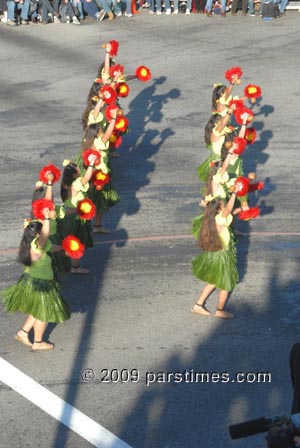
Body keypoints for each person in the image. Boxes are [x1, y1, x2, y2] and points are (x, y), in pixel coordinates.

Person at [2, 210, 70, 350]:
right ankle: (38, 342)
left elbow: (52, 247)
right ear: (38, 235)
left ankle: (23, 332)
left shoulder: (31, 243)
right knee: (42, 312)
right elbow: (45, 235)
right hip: (40, 284)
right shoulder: (38, 244)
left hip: (30, 280)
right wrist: (45, 218)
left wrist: (64, 247)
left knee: (36, 309)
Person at [191, 186, 239, 319]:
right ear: (218, 209)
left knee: (213, 281)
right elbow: (228, 210)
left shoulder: (212, 218)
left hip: (216, 252)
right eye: (222, 206)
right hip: (222, 254)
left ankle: (198, 305)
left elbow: (229, 211)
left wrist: (237, 211)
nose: (224, 207)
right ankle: (220, 310)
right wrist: (235, 192)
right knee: (225, 283)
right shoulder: (220, 218)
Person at [58, 155, 97, 274]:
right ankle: (75, 267)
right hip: (75, 218)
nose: (80, 169)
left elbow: (86, 186)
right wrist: (91, 163)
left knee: (70, 241)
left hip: (68, 216)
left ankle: (66, 263)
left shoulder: (66, 184)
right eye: (78, 169)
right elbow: (86, 178)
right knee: (76, 242)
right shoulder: (76, 183)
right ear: (74, 174)